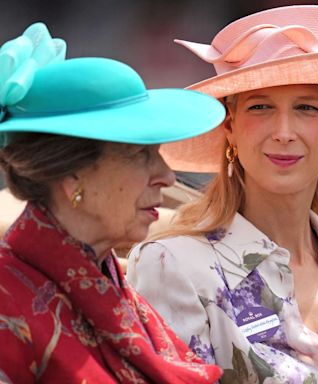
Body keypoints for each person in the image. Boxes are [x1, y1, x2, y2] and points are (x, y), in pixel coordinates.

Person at [127, 5, 318, 384]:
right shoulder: (172, 265)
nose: (284, 131)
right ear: (231, 125)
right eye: (261, 107)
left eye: (307, 108)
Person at [0, 23, 225, 383]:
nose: (167, 176)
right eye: (140, 154)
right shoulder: (7, 304)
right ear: (73, 174)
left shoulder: (116, 292)